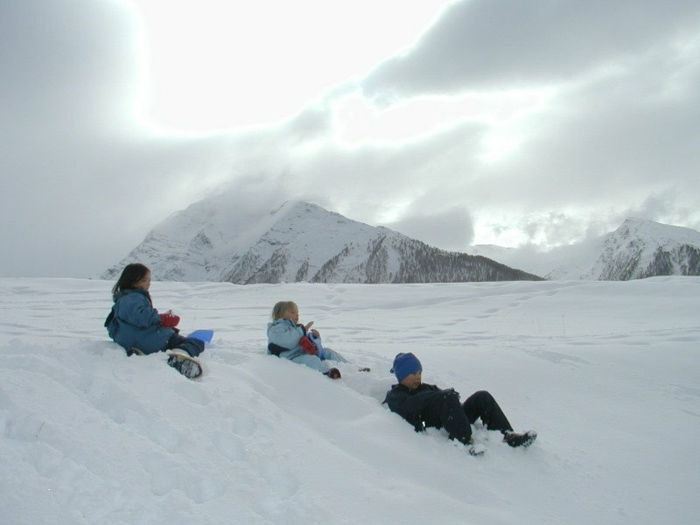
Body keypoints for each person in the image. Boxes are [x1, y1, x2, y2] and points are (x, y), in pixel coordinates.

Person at [383, 352, 536, 449]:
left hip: (451, 419)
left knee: (482, 396)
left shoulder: (426, 388)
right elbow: (410, 406)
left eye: (419, 372)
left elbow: (442, 398)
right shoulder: (396, 394)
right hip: (429, 423)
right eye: (412, 373)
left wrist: (452, 399)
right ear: (401, 376)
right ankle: (464, 441)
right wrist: (444, 396)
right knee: (447, 397)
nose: (417, 376)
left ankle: (507, 435)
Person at [104, 263, 204, 377]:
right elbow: (142, 316)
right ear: (135, 281)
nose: (149, 283)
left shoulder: (121, 301)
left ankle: (138, 351)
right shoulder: (133, 298)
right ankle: (179, 358)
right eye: (145, 280)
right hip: (151, 340)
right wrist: (161, 319)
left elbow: (116, 325)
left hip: (132, 342)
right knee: (196, 342)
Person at [266, 301, 347, 378]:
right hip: (291, 357)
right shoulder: (276, 329)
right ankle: (327, 372)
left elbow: (302, 339)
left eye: (298, 313)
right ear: (281, 314)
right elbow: (287, 341)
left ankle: (350, 366)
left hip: (304, 352)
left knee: (328, 352)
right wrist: (303, 330)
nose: (297, 315)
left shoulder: (296, 328)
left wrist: (314, 337)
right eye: (293, 312)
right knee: (311, 360)